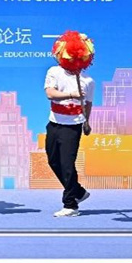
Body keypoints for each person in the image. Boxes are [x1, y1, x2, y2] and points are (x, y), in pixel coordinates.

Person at [44, 59, 94, 217]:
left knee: (67, 164)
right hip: (54, 123)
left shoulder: (88, 81)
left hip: (73, 126)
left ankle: (70, 205)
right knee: (53, 161)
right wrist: (72, 94)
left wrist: (86, 121)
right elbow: (50, 93)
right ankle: (78, 191)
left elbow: (88, 104)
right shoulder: (54, 71)